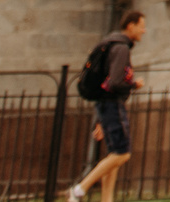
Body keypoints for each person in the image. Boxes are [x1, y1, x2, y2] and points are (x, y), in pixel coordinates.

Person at [65, 14, 142, 202]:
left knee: (113, 154)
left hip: (104, 105)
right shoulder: (121, 48)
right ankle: (79, 190)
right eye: (141, 26)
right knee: (122, 154)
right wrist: (134, 85)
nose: (144, 30)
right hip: (112, 104)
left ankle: (106, 199)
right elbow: (114, 83)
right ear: (130, 26)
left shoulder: (110, 43)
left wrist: (100, 120)